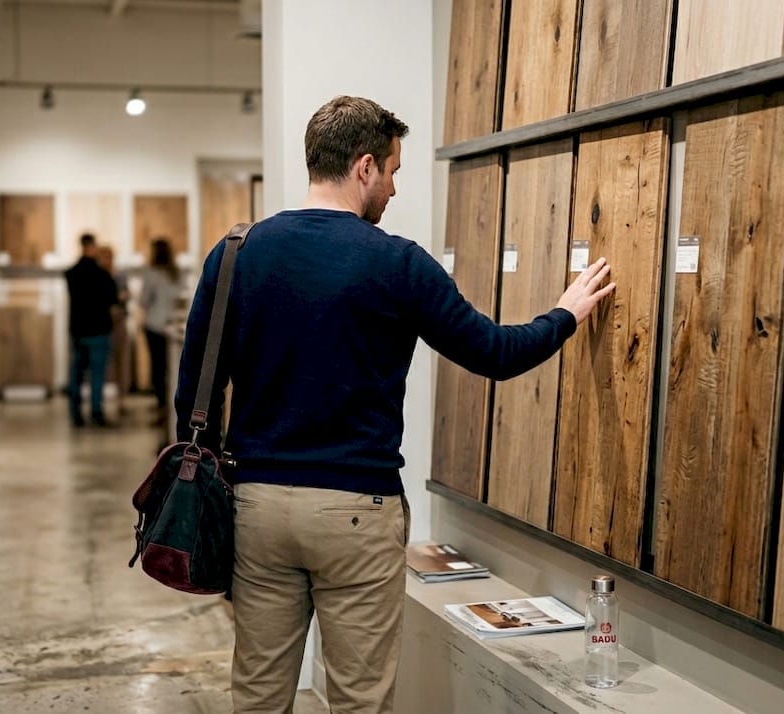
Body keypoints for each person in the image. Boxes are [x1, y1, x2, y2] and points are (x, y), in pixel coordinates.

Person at [175, 95, 616, 713]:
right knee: (360, 700)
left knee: (257, 696)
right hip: (357, 511)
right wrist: (565, 314)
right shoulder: (397, 263)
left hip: (259, 506)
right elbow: (493, 352)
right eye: (393, 172)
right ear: (363, 167)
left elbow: (195, 386)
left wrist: (223, 483)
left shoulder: (237, 253)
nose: (393, 189)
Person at [65, 233, 120, 427]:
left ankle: (75, 413)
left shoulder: (71, 273)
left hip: (78, 330)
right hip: (99, 329)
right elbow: (114, 301)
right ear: (92, 246)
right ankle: (96, 412)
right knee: (97, 374)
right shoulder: (103, 274)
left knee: (77, 374)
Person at [139, 238, 181, 418]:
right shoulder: (176, 273)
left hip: (154, 325)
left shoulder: (151, 274)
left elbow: (143, 301)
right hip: (172, 324)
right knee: (172, 367)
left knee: (157, 367)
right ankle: (171, 403)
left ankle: (161, 404)